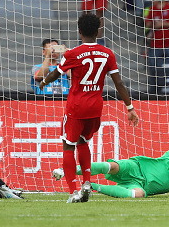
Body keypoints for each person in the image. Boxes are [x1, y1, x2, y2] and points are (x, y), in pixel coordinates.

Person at [39, 13, 139, 203]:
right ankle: (86, 183)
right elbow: (119, 83)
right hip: (95, 107)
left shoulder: (73, 53)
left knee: (68, 145)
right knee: (84, 143)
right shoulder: (107, 53)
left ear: (79, 31)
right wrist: (130, 107)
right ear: (98, 31)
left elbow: (56, 74)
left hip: (76, 107)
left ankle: (72, 192)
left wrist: (43, 82)